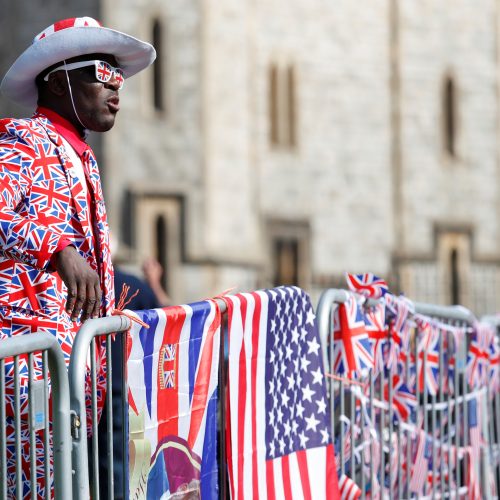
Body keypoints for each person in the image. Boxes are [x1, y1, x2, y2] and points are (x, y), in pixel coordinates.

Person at [0, 16, 155, 498]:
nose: (116, 88)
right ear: (60, 79)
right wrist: (57, 247)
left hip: (77, 376)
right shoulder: (22, 140)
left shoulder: (80, 154)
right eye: (102, 74)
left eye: (120, 78)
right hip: (28, 375)